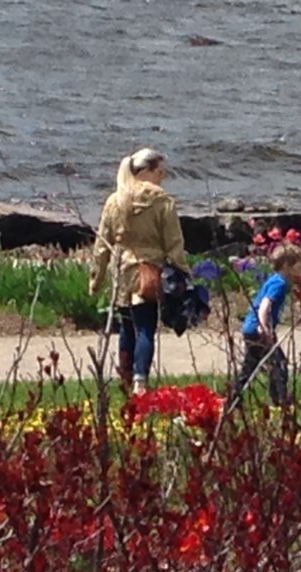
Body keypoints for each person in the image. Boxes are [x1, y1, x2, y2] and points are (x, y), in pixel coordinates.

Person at [88, 148, 190, 395]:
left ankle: (125, 375)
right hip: (150, 271)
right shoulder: (162, 202)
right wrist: (183, 273)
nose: (162, 179)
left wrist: (96, 278)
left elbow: (102, 244)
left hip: (123, 271)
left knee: (126, 327)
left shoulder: (116, 200)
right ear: (146, 171)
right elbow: (174, 243)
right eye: (160, 173)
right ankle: (140, 380)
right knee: (145, 326)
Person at [231, 243, 301, 407]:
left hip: (250, 328)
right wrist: (264, 326)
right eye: (299, 264)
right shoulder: (279, 283)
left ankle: (234, 397)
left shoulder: (276, 280)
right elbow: (265, 305)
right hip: (259, 329)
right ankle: (279, 398)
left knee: (250, 365)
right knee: (278, 363)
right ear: (287, 266)